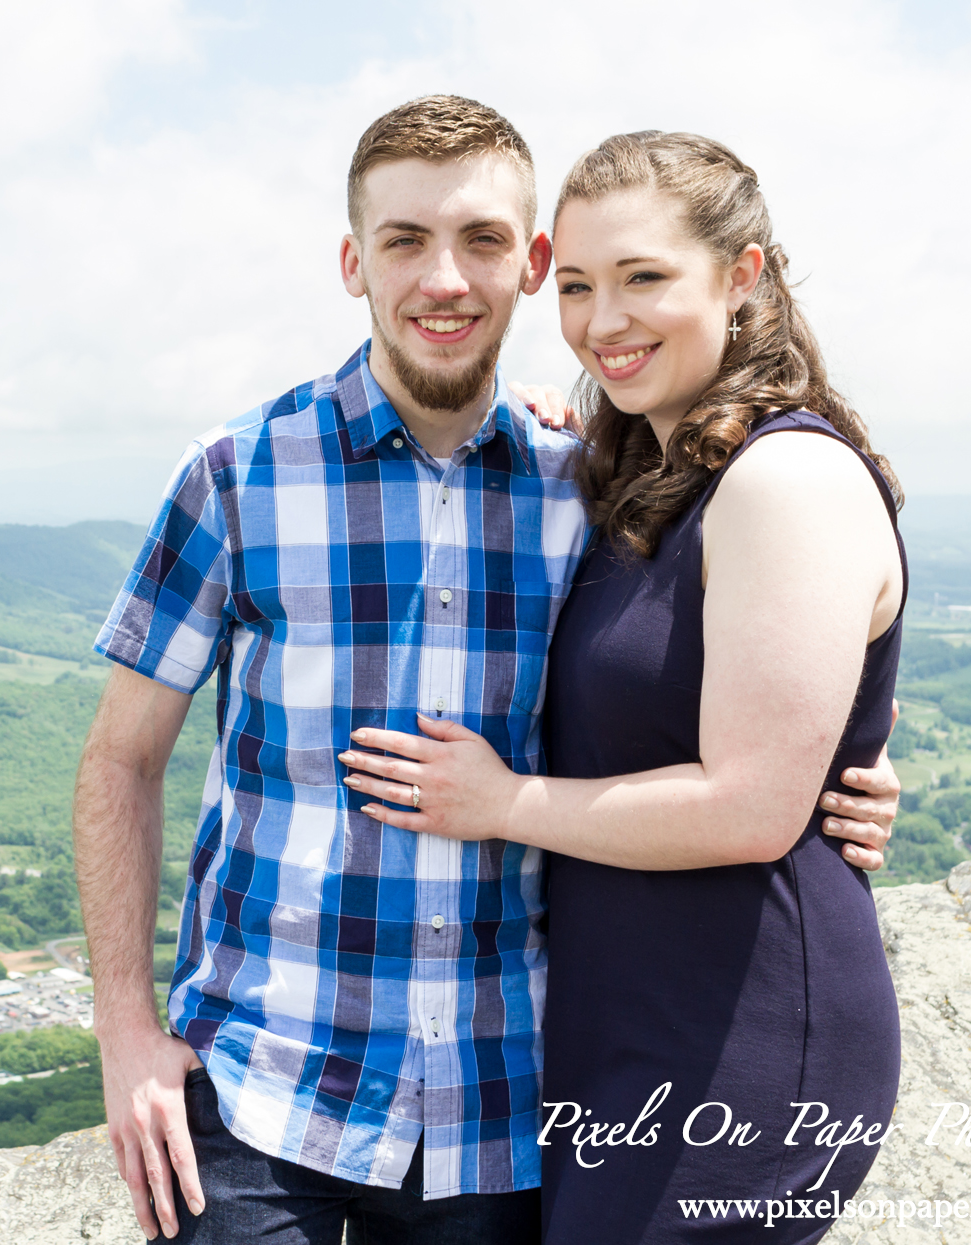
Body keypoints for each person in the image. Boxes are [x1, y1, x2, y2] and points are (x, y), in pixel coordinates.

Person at [76, 99, 902, 1245]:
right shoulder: (235, 473)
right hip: (268, 1090)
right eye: (405, 241)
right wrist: (122, 1028)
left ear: (526, 265)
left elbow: (741, 667)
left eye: (480, 243)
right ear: (352, 261)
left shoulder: (587, 484)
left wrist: (843, 772)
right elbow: (120, 760)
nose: (442, 280)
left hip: (503, 1106)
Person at [345, 130, 906, 1242]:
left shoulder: (783, 477)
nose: (604, 321)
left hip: (736, 1036)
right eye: (582, 285)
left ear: (740, 276)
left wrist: (501, 804)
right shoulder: (658, 473)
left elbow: (750, 806)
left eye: (645, 278)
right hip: (629, 1025)